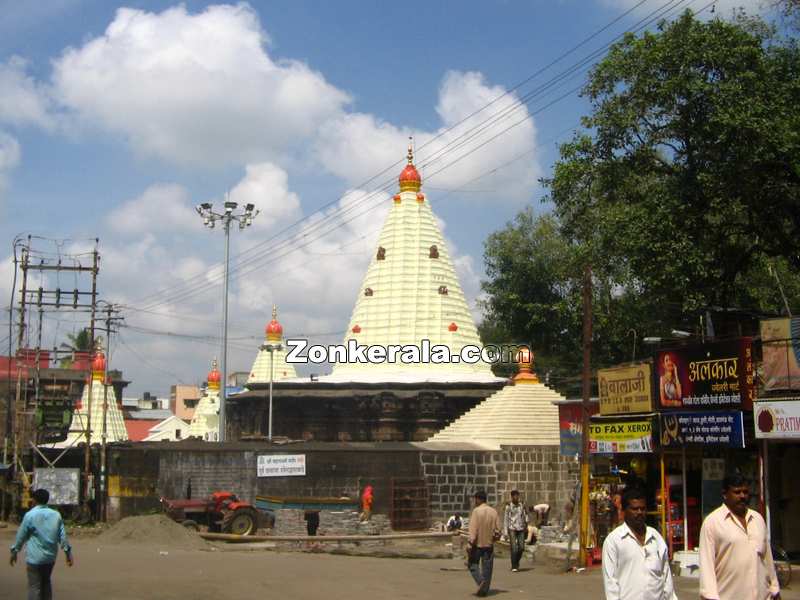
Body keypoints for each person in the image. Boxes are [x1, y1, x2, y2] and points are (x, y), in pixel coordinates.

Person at [699, 473, 781, 600]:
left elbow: (767, 558)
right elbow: (706, 565)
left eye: (745, 492)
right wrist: (709, 596)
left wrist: (774, 588)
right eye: (737, 492)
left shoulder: (757, 519)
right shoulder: (713, 522)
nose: (742, 496)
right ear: (725, 494)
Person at [602, 486, 677, 600]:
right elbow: (610, 583)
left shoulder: (656, 538)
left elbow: (666, 577)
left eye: (642, 509)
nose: (639, 512)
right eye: (635, 509)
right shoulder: (614, 541)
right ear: (624, 510)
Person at [9, 488, 74, 600]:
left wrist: (14, 551)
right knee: (46, 583)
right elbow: (62, 536)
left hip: (34, 558)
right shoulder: (56, 515)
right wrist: (68, 553)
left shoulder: (30, 515)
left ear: (34, 500)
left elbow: (21, 536)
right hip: (50, 558)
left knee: (34, 587)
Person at [467, 490, 501, 597]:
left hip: (477, 544)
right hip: (489, 544)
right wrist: (493, 539)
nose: (474, 501)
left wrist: (469, 543)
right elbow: (498, 531)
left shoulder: (476, 511)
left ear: (479, 499)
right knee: (487, 568)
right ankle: (484, 590)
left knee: (472, 564)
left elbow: (473, 529)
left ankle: (480, 581)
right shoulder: (493, 512)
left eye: (475, 499)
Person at [503, 490, 528, 572]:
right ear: (512, 497)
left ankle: (516, 561)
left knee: (521, 547)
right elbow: (506, 519)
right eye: (514, 496)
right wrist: (505, 532)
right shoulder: (508, 507)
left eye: (517, 496)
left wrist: (526, 523)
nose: (516, 497)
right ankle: (514, 566)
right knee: (514, 548)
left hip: (520, 528)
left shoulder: (521, 506)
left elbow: (525, 515)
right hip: (512, 528)